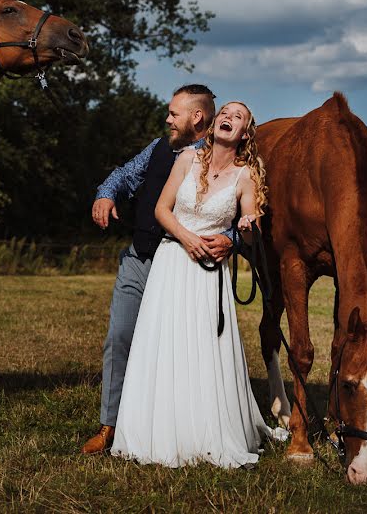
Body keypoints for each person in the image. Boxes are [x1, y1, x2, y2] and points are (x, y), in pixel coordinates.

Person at [110, 101, 284, 468]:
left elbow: (250, 227)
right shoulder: (187, 160)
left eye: (239, 117)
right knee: (164, 344)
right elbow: (161, 209)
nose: (229, 117)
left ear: (245, 133)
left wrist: (241, 235)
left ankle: (204, 432)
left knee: (204, 348)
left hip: (210, 273)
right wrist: (187, 239)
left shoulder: (246, 176)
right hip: (172, 261)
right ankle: (155, 429)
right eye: (226, 112)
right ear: (214, 120)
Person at [81, 84, 233, 455]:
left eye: (173, 113)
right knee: (119, 336)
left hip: (184, 270)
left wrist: (233, 238)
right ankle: (109, 426)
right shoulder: (158, 148)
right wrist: (105, 193)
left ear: (196, 118)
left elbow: (242, 209)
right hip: (140, 257)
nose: (167, 119)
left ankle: (176, 430)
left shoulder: (221, 158)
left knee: (177, 352)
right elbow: (124, 175)